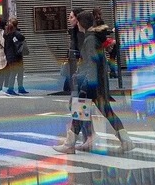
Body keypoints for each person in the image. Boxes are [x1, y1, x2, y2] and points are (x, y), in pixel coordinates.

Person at [55, 10, 133, 154]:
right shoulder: (93, 38)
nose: (76, 24)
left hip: (91, 84)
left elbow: (90, 64)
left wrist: (83, 83)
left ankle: (69, 144)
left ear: (82, 23)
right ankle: (126, 140)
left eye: (77, 22)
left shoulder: (89, 40)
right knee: (106, 112)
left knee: (79, 112)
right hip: (98, 83)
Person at [0, 18, 28, 95]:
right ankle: (16, 88)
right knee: (18, 72)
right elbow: (22, 37)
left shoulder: (6, 34)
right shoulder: (15, 33)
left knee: (14, 72)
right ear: (15, 25)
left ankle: (13, 88)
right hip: (16, 55)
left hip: (10, 55)